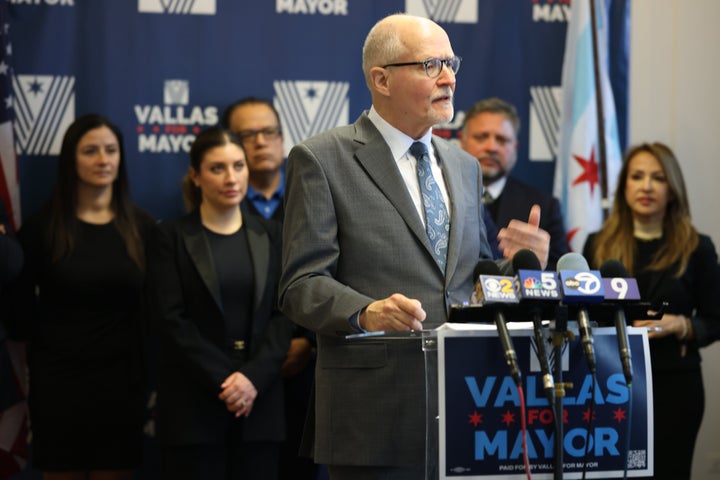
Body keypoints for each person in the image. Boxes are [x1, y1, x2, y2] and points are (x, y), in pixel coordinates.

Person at [279, 13, 551, 479]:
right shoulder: (322, 159)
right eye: (430, 66)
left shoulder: (464, 165)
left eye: (450, 63)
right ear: (380, 79)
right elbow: (300, 285)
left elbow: (468, 276)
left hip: (472, 408)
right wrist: (366, 313)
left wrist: (521, 267)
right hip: (377, 414)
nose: (449, 78)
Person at [7, 114, 155, 479]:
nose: (103, 160)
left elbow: (157, 312)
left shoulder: (144, 229)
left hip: (123, 384)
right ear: (71, 160)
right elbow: (18, 315)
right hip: (58, 386)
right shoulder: (42, 230)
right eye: (90, 151)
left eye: (111, 150)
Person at [151, 126, 294, 480]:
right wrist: (226, 380)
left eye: (238, 166)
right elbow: (170, 320)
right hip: (193, 410)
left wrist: (252, 378)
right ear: (195, 176)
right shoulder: (169, 237)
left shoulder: (273, 235)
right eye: (218, 168)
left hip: (260, 408)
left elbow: (283, 315)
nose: (231, 178)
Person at [582, 142, 720, 480]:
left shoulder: (697, 247)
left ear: (672, 189)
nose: (646, 186)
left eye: (658, 178)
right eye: (637, 176)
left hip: (675, 383)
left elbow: (716, 320)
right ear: (624, 186)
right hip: (610, 385)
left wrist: (682, 325)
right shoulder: (597, 245)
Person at [222, 97, 320, 480]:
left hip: (304, 374)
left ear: (283, 140)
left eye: (269, 132)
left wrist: (309, 344)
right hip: (239, 376)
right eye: (247, 134)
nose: (260, 142)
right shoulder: (216, 212)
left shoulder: (316, 199)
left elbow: (335, 276)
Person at [459, 97, 568, 268]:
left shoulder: (545, 207)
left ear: (515, 148)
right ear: (462, 141)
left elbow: (560, 279)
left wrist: (536, 265)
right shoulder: (440, 195)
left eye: (502, 140)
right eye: (481, 137)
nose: (492, 147)